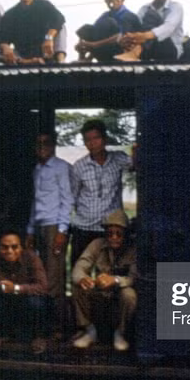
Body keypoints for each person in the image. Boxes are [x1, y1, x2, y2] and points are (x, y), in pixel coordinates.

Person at [71, 209, 137, 351]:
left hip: (119, 297)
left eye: (119, 234)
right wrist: (83, 278)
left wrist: (115, 280)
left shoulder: (133, 249)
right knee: (78, 286)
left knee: (129, 295)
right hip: (100, 296)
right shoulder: (97, 244)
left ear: (126, 234)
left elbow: (134, 278)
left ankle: (120, 333)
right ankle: (89, 330)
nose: (114, 237)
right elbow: (79, 267)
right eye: (110, 233)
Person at [69, 119, 132, 269]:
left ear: (104, 139)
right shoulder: (79, 166)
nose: (92, 143)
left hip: (109, 230)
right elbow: (72, 197)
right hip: (83, 229)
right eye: (87, 140)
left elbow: (138, 164)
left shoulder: (118, 159)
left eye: (96, 138)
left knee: (106, 273)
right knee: (79, 271)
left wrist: (137, 149)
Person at [26, 133, 72, 332]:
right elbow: (35, 202)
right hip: (39, 227)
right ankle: (43, 326)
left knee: (54, 279)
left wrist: (62, 231)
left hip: (54, 227)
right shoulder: (36, 169)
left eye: (46, 143)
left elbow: (67, 199)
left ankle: (58, 328)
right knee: (40, 276)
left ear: (53, 145)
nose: (42, 146)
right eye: (38, 143)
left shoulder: (61, 167)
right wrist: (30, 230)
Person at [0, 0, 66, 66]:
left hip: (46, 52)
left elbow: (59, 19)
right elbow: (1, 37)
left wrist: (49, 38)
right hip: (23, 56)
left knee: (61, 27)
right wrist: (5, 47)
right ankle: (28, 61)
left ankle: (60, 61)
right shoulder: (10, 15)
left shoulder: (43, 5)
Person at [126, 0, 190, 62]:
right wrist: (129, 37)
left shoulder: (176, 7)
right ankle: (131, 51)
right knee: (129, 17)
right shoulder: (144, 8)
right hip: (149, 49)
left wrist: (144, 36)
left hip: (169, 50)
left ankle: (135, 52)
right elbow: (136, 25)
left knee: (151, 16)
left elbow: (168, 28)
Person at [74, 0, 145, 63]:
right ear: (105, 0)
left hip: (123, 52)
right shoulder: (105, 15)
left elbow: (120, 36)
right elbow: (94, 33)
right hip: (105, 51)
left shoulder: (129, 16)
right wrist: (84, 46)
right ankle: (84, 59)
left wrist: (94, 45)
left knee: (108, 22)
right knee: (86, 28)